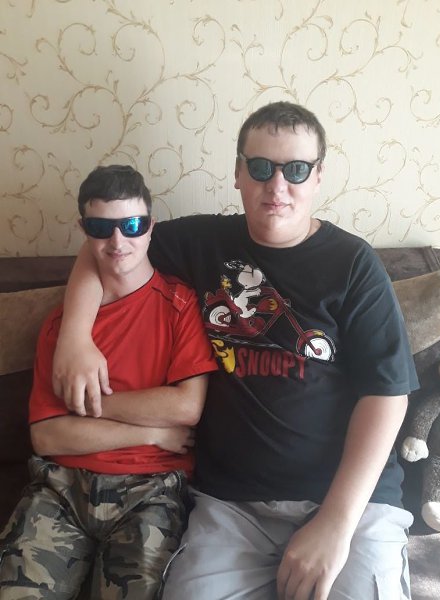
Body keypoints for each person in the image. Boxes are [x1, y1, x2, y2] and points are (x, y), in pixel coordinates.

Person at [49, 103, 419, 600]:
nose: (277, 185)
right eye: (261, 167)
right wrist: (75, 336)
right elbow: (108, 243)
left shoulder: (354, 264)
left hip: (349, 505)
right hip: (232, 507)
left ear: (318, 177)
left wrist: (335, 523)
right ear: (239, 173)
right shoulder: (201, 242)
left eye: (296, 169)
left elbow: (387, 395)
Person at [0, 165, 218, 600]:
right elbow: (46, 436)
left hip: (151, 490)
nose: (118, 242)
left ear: (150, 226)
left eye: (131, 225)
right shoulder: (62, 329)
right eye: (101, 228)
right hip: (60, 487)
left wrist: (85, 404)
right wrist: (153, 432)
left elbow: (186, 408)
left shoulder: (180, 307)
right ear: (84, 230)